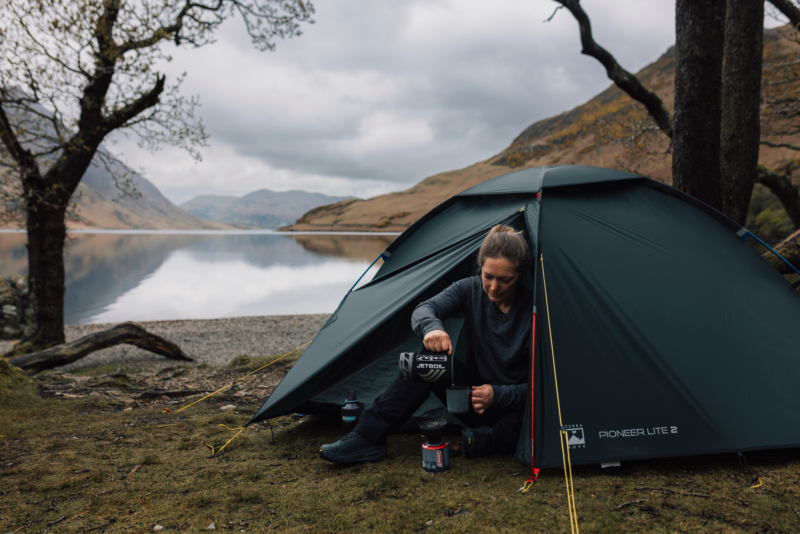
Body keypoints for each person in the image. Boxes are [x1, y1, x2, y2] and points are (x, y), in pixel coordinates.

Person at [319, 224, 532, 463]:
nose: (493, 287)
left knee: (536, 415)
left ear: (521, 274)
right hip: (475, 400)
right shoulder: (469, 289)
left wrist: (499, 395)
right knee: (428, 361)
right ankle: (367, 437)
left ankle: (490, 439)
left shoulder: (535, 310)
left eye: (505, 279)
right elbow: (425, 309)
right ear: (480, 268)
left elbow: (549, 387)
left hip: (519, 408)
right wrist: (433, 329)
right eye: (488, 276)